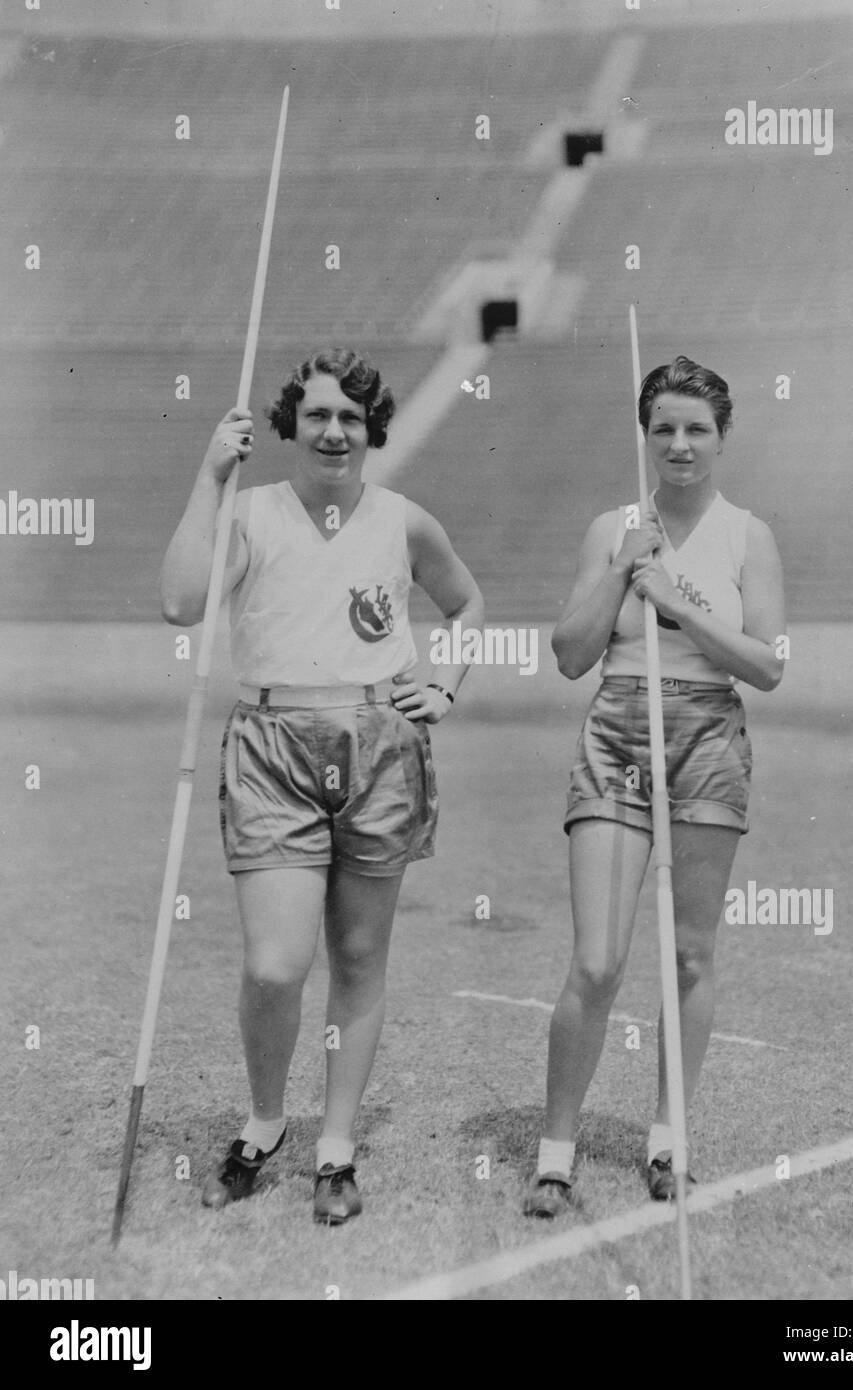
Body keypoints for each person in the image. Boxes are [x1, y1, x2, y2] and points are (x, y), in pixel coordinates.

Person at [161, 347, 484, 1225]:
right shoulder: (251, 511)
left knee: (358, 959)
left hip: (381, 744)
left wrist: (446, 685)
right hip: (272, 746)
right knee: (275, 966)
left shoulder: (404, 520)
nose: (334, 430)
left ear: (372, 428)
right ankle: (264, 1124)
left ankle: (336, 1147)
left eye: (349, 417)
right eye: (317, 416)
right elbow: (182, 603)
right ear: (290, 428)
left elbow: (467, 605)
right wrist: (207, 475)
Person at [524, 355, 785, 1217]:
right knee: (598, 961)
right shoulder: (614, 527)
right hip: (619, 729)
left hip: (708, 735)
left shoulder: (749, 535)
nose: (679, 444)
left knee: (690, 954)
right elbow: (569, 656)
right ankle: (555, 1156)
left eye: (696, 429)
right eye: (664, 428)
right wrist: (621, 571)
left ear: (722, 438)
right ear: (647, 434)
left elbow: (767, 667)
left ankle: (669, 1142)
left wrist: (677, 602)